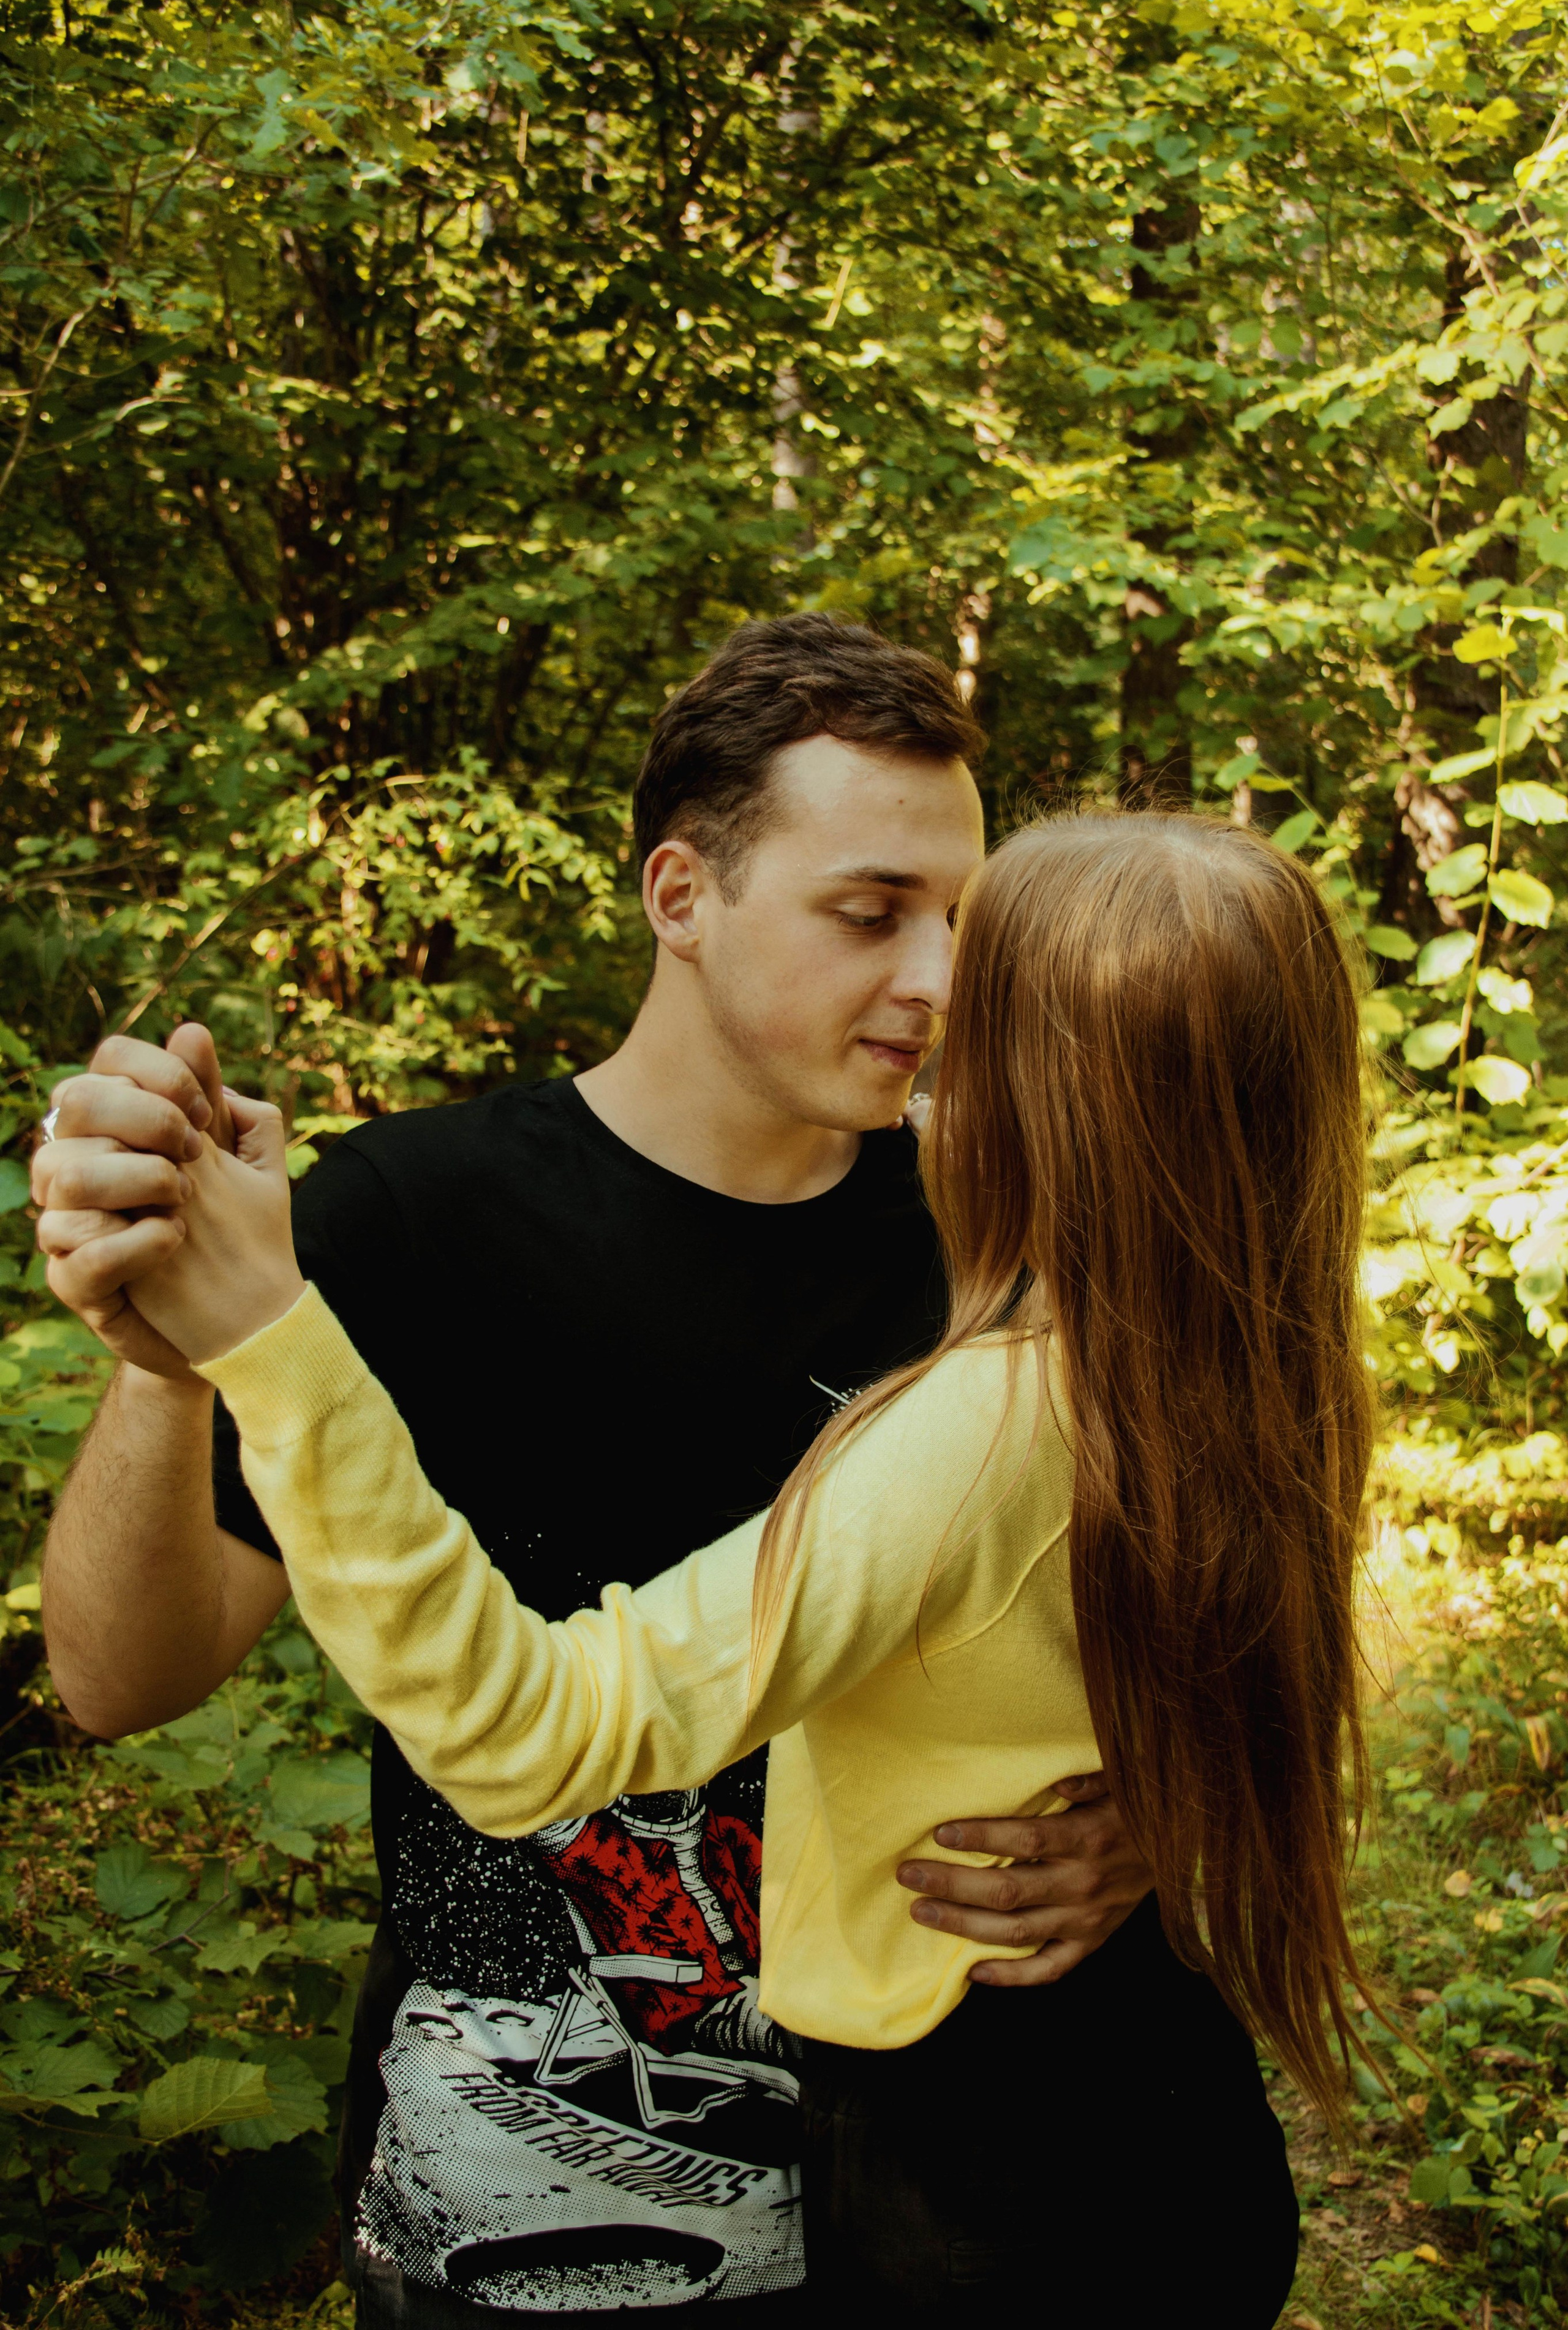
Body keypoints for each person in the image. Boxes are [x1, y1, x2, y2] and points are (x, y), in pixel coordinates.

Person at [103, 805, 1371, 2326]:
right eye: (871, 914)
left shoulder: (975, 1424)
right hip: (1162, 2124)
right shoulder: (1238, 1351)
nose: (921, 1062)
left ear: (1055, 1107)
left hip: (985, 2175)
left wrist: (264, 1335)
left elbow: (530, 1734)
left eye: (965, 1039)